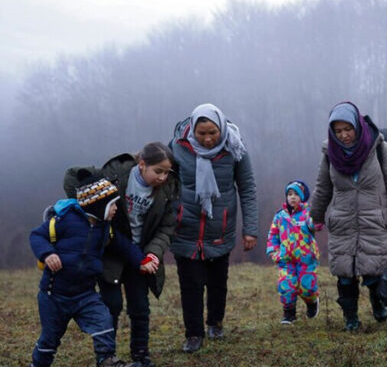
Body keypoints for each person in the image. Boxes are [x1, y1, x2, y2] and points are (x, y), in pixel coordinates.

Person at [62, 142, 178, 367]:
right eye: (158, 171)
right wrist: (90, 209)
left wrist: (153, 254)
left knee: (140, 307)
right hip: (110, 253)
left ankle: (141, 355)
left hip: (141, 256)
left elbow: (167, 227)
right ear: (142, 164)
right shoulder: (114, 175)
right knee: (111, 306)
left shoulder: (169, 188)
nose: (163, 177)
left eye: (167, 172)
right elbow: (71, 175)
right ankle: (106, 356)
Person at [30, 171, 154, 367]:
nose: (115, 209)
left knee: (104, 322)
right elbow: (37, 236)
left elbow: (124, 246)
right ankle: (38, 364)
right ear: (99, 204)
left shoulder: (105, 228)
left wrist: (142, 260)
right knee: (50, 339)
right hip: (54, 295)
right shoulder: (65, 220)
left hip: (86, 294)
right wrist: (47, 254)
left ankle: (107, 360)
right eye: (112, 204)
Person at [310, 101, 387, 331]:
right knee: (345, 276)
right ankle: (351, 318)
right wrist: (315, 216)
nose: (344, 135)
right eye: (338, 131)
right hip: (343, 223)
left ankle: (379, 305)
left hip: (375, 221)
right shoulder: (329, 154)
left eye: (348, 129)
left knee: (375, 273)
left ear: (358, 126)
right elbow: (323, 187)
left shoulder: (380, 149)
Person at [169, 103, 258, 353]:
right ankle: (194, 334)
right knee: (190, 284)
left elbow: (248, 188)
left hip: (220, 227)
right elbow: (165, 184)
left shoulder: (235, 147)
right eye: (202, 134)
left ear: (221, 128)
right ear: (192, 131)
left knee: (218, 282)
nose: (208, 139)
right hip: (184, 228)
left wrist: (250, 229)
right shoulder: (176, 147)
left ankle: (215, 322)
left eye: (213, 133)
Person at [266, 180, 321, 325]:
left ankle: (312, 302)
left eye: (296, 194)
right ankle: (289, 314)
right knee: (286, 286)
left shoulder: (307, 214)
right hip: (286, 259)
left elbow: (313, 224)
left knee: (307, 287)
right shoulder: (280, 216)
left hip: (306, 259)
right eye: (290, 194)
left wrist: (317, 220)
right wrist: (274, 252)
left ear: (302, 197)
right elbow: (273, 235)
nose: (292, 197)